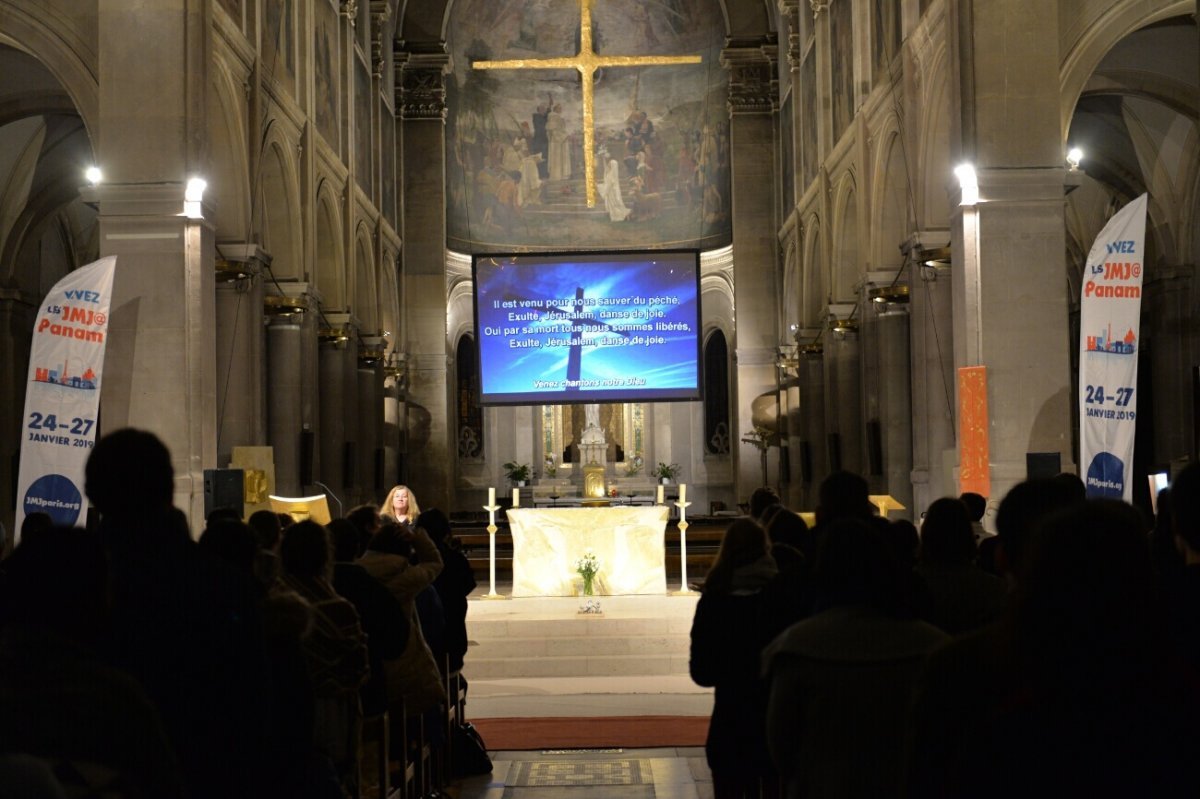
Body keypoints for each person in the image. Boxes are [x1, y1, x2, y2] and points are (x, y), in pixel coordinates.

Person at [690, 518, 780, 799]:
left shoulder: (715, 601)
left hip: (731, 721)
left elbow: (702, 673)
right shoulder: (781, 595)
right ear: (766, 548)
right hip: (773, 721)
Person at [600, 156, 630, 222]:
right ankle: (622, 215)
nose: (608, 165)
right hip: (610, 192)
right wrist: (604, 159)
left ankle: (623, 215)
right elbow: (606, 170)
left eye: (610, 164)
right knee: (613, 205)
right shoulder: (610, 173)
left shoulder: (612, 175)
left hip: (612, 192)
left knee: (616, 204)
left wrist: (603, 189)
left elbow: (609, 184)